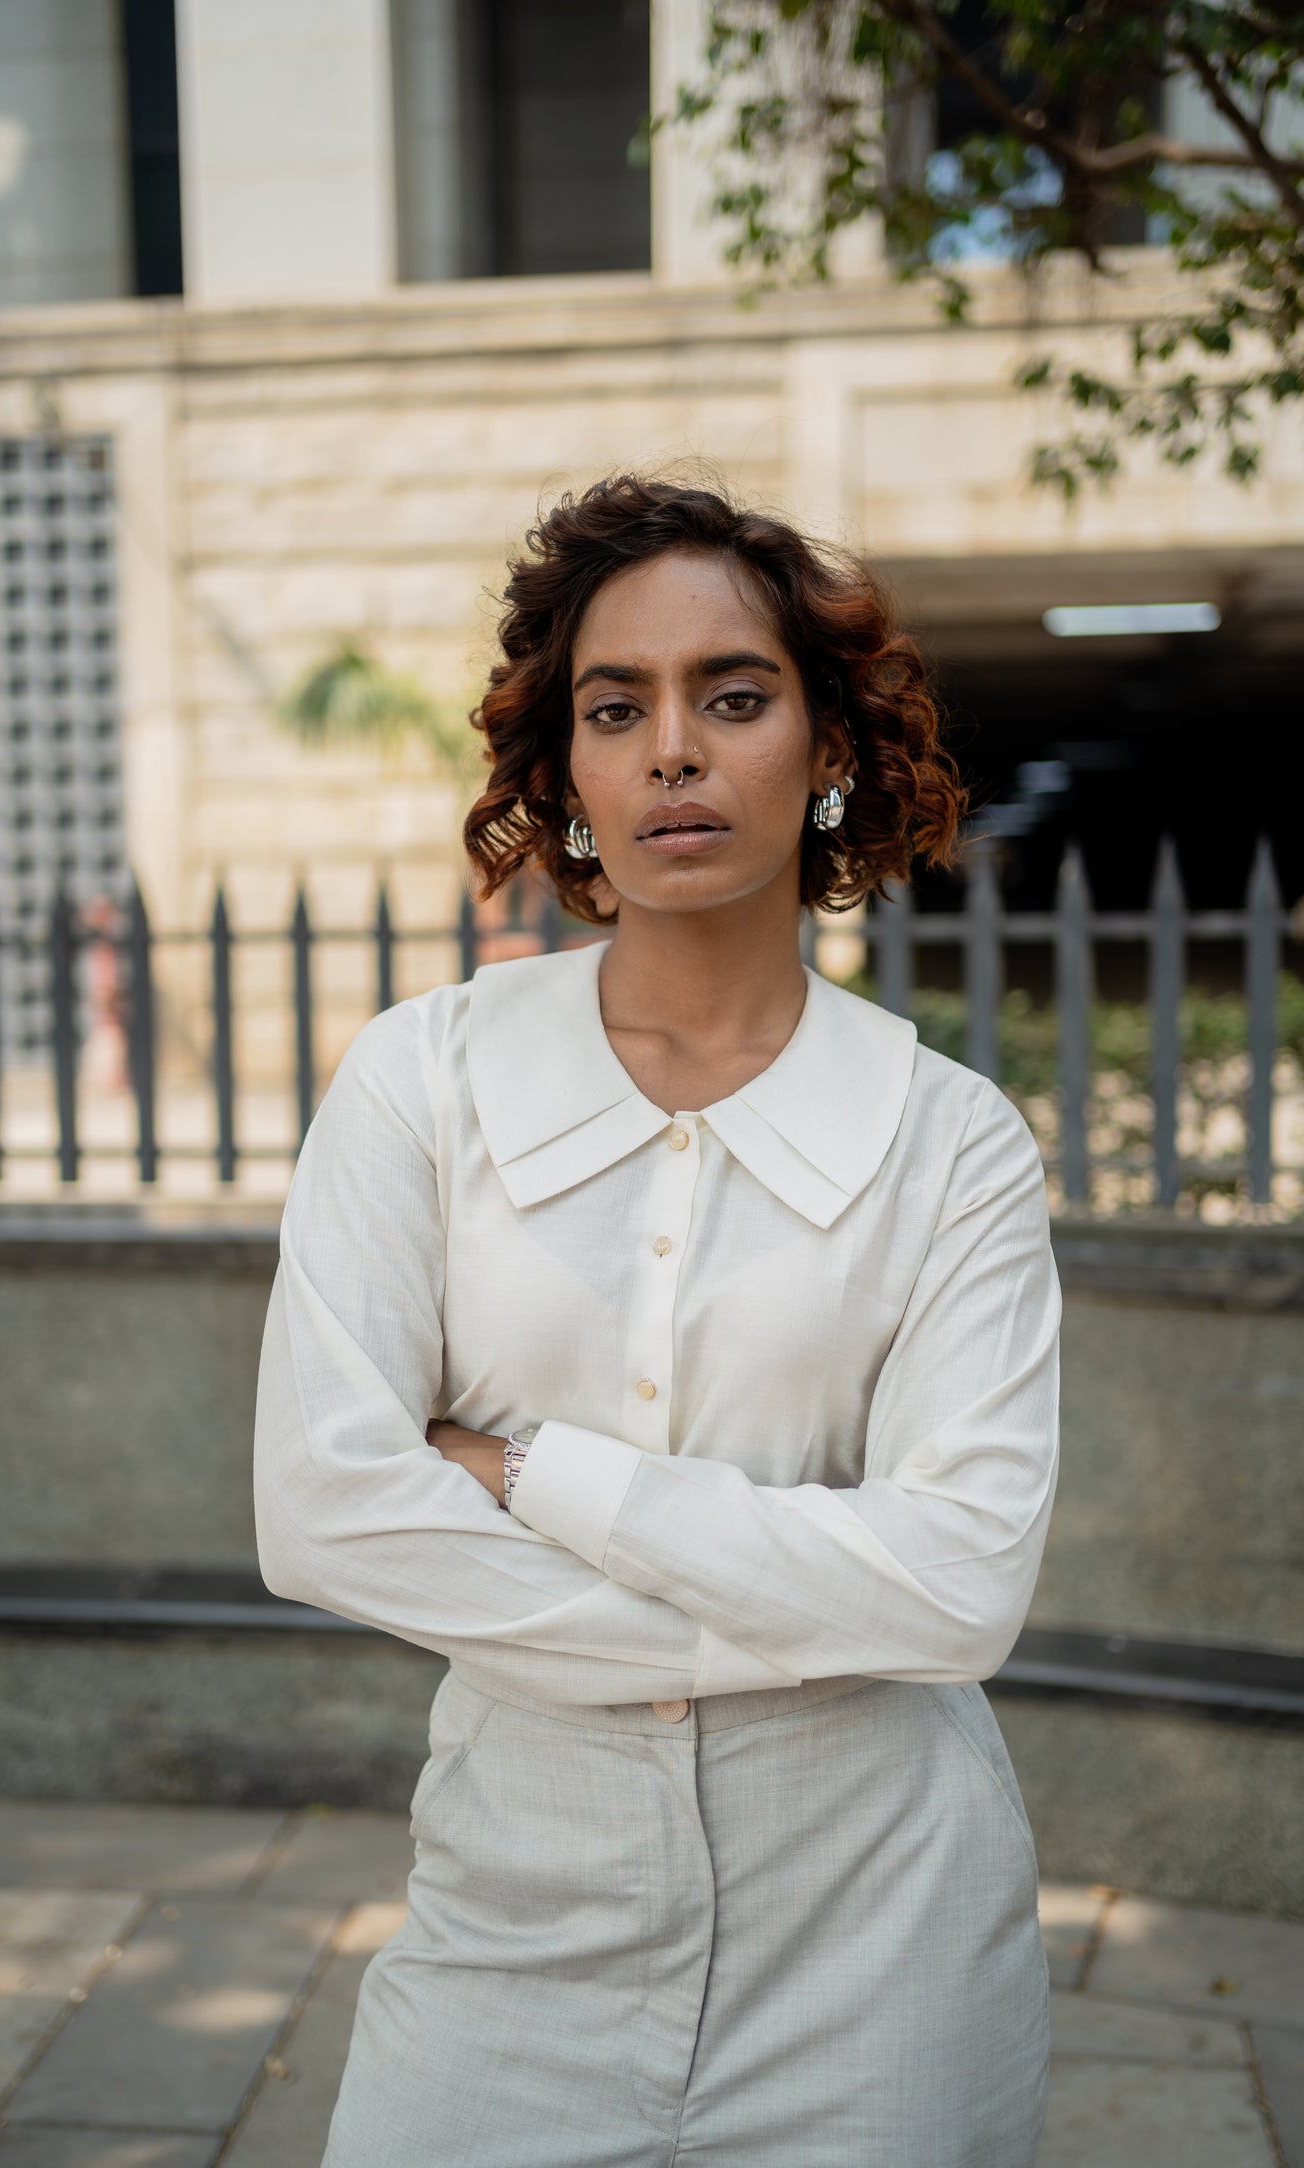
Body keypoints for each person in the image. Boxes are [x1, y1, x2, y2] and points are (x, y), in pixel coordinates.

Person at [253, 473, 1061, 2167]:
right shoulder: (423, 1082)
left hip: (882, 1944)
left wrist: (531, 1474)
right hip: (511, 1928)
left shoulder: (951, 1143)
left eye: (734, 698)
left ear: (827, 748)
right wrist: (818, 1607)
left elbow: (963, 1585)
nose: (672, 751)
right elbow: (326, 1512)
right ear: (565, 772)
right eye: (615, 709)